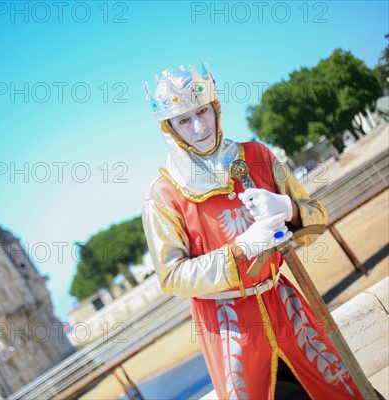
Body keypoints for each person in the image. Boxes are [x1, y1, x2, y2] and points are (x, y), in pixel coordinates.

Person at [141, 63, 363, 399]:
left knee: (343, 391)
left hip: (286, 304)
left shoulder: (257, 156)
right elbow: (172, 278)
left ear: (215, 108)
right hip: (229, 329)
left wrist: (288, 209)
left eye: (202, 111)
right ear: (169, 127)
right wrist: (241, 248)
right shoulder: (162, 193)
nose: (199, 126)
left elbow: (317, 219)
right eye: (184, 119)